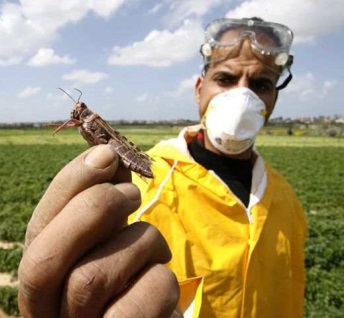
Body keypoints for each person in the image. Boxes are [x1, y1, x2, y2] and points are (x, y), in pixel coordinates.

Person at [18, 17, 307, 317]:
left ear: (274, 97)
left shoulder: (288, 199)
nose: (242, 96)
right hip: (135, 161)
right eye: (225, 79)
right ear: (199, 89)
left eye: (261, 84)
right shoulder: (132, 188)